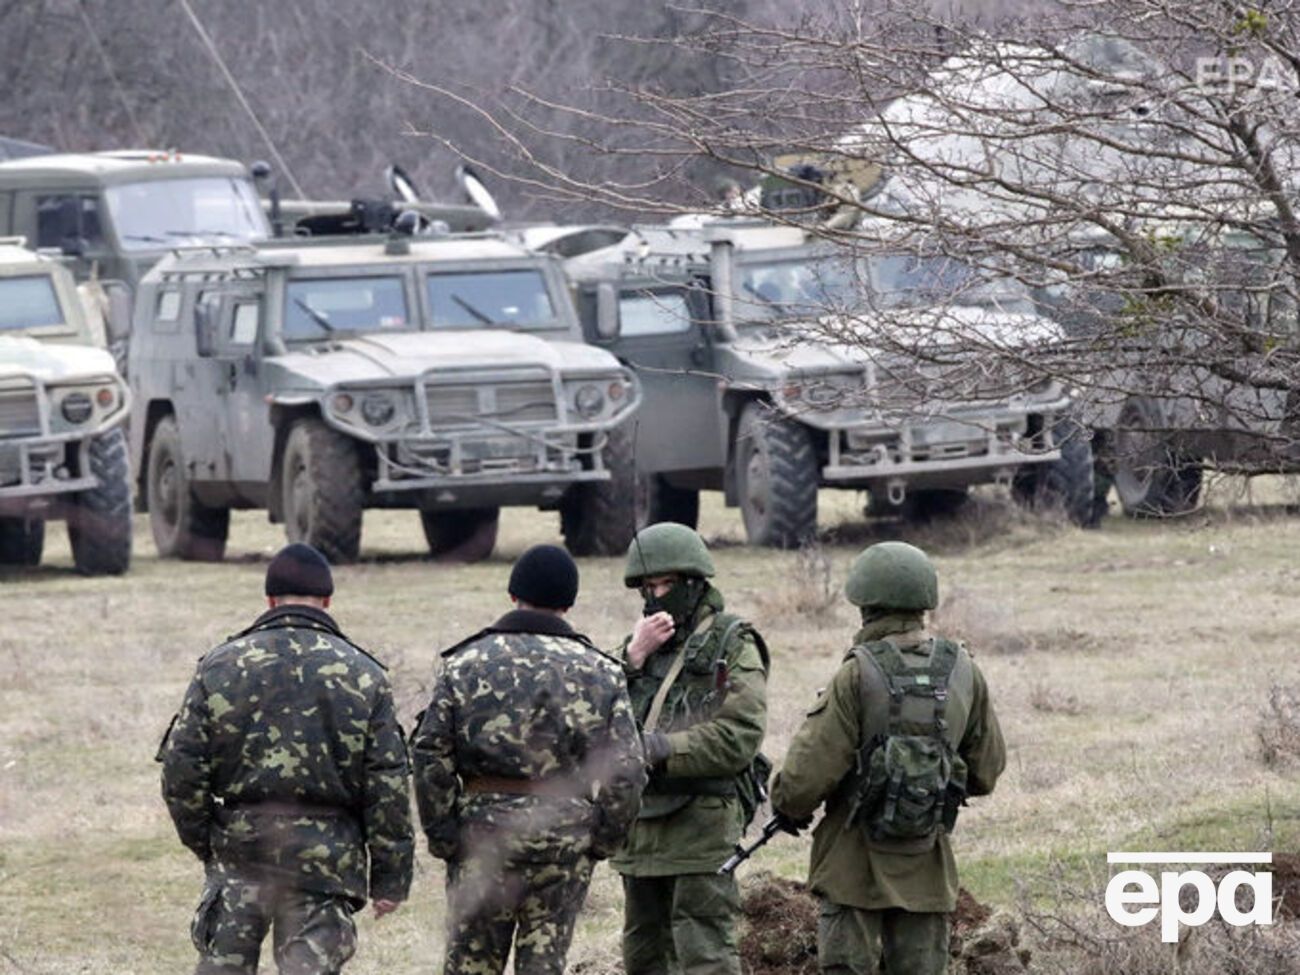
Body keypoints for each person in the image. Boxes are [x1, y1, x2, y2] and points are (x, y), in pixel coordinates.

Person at [158, 543, 413, 975]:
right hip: (325, 858)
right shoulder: (364, 674)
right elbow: (386, 785)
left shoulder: (220, 666)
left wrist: (208, 842)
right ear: (328, 600)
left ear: (270, 600)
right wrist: (390, 878)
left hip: (241, 852)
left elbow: (183, 770)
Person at [770, 541, 1005, 975]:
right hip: (927, 871)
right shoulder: (964, 670)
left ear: (865, 604)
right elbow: (987, 771)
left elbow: (803, 782)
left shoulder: (857, 673)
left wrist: (783, 801)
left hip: (852, 870)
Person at [412, 543, 646, 975]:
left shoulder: (463, 664)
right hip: (565, 840)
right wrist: (602, 840)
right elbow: (627, 769)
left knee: (470, 966)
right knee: (544, 966)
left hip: (481, 839)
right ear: (569, 603)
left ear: (513, 594)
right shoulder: (601, 671)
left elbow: (430, 755)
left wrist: (445, 835)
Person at [614, 522, 769, 975]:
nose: (657, 595)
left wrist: (660, 748)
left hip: (701, 826)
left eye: (668, 584)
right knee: (644, 955)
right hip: (640, 830)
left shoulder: (732, 642)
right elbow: (591, 721)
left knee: (704, 953)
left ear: (694, 583)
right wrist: (631, 659)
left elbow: (738, 735)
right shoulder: (638, 648)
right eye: (649, 586)